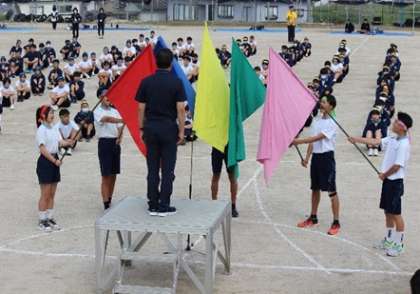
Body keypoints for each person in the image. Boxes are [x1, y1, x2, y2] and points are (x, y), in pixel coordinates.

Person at [349, 112, 413, 257]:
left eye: (396, 121)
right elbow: (376, 142)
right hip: (388, 181)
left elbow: (397, 166)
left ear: (402, 127)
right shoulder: (392, 137)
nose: (393, 122)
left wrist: (384, 174)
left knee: (396, 213)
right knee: (387, 211)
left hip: (395, 182)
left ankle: (399, 244)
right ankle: (389, 240)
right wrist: (356, 139)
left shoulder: (404, 144)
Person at [136, 48, 186, 217]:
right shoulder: (176, 82)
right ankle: (164, 204)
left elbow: (140, 107)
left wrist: (141, 127)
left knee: (152, 169)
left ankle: (152, 203)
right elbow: (180, 109)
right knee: (167, 169)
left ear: (156, 62)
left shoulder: (146, 81)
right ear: (171, 63)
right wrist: (181, 131)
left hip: (151, 127)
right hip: (168, 128)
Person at [292, 95, 341, 236]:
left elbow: (318, 138)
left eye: (324, 102)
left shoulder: (333, 122)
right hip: (317, 158)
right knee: (315, 189)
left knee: (332, 191)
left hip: (327, 157)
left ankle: (336, 221)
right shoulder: (317, 121)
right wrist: (307, 158)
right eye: (322, 101)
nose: (321, 103)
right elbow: (313, 143)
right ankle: (313, 217)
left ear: (331, 106)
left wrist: (298, 141)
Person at [35, 105, 74, 231]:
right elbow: (42, 149)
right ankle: (42, 220)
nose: (52, 115)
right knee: (45, 194)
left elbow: (60, 142)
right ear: (43, 116)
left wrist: (69, 142)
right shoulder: (41, 130)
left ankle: (50, 217)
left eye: (53, 113)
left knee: (52, 193)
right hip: (46, 162)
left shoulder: (54, 128)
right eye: (50, 113)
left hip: (55, 160)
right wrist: (54, 161)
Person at [94, 92, 124, 210]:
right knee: (105, 175)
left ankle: (110, 199)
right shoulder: (97, 111)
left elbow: (120, 127)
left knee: (113, 174)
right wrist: (121, 120)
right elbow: (105, 119)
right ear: (101, 98)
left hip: (115, 143)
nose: (108, 99)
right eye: (106, 96)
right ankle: (106, 203)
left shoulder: (114, 111)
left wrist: (120, 135)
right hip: (105, 143)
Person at [211, 146, 239, 217]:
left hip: (230, 148)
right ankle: (214, 203)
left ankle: (233, 205)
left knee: (232, 177)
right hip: (217, 147)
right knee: (216, 175)